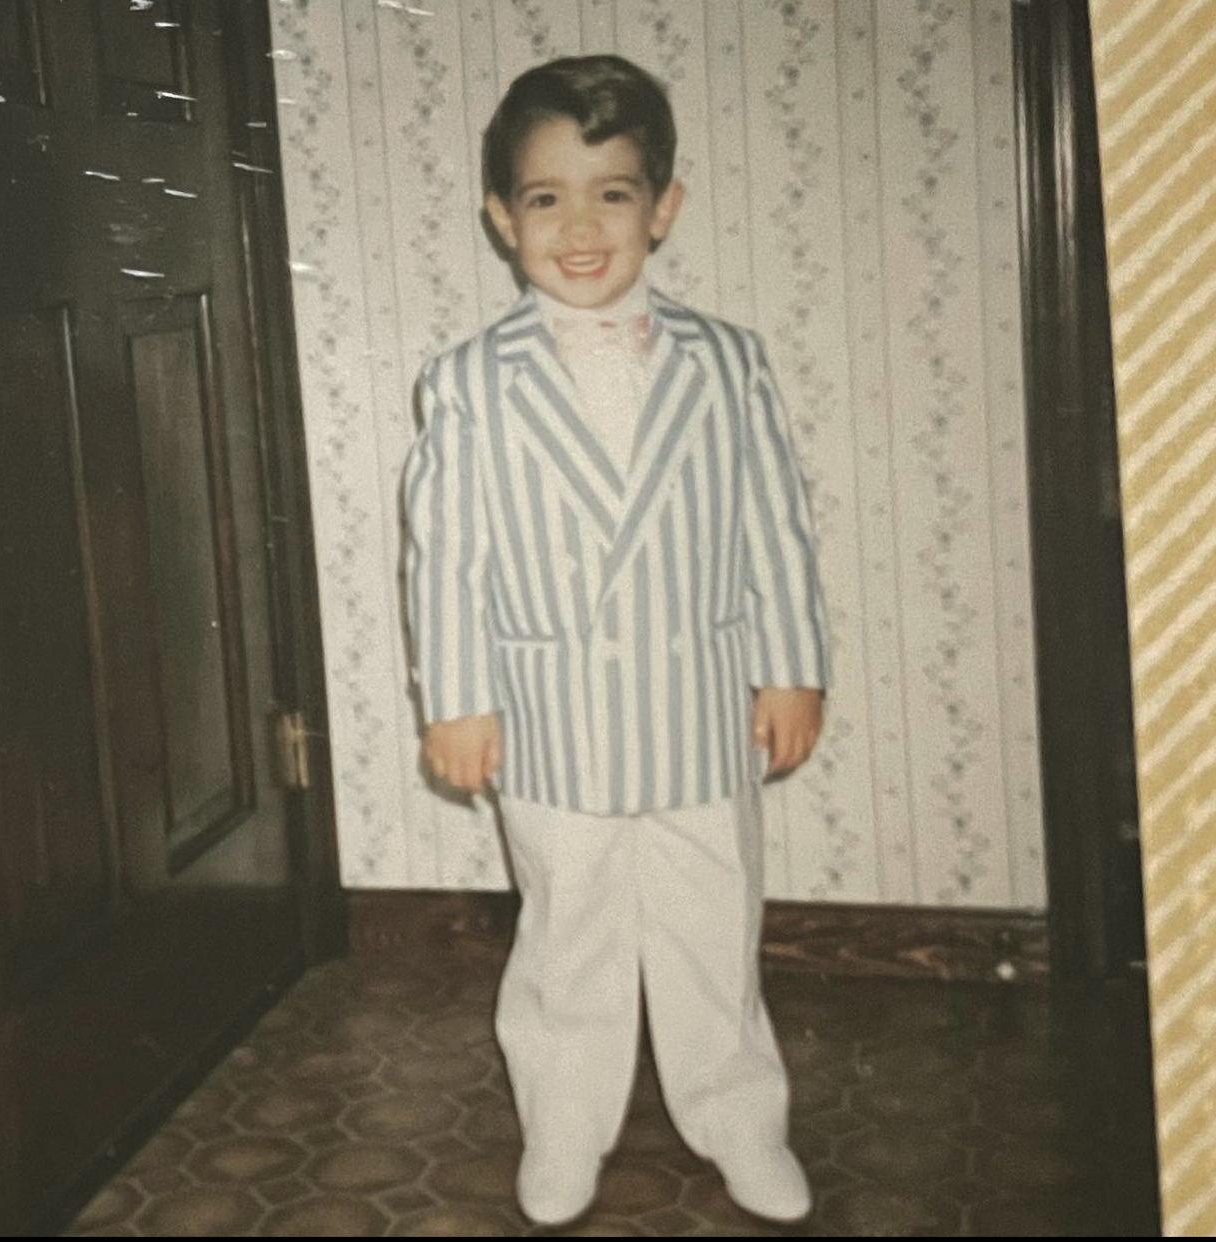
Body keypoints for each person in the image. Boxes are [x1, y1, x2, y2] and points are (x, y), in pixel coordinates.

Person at [401, 53, 831, 1228]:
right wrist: (457, 700)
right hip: (553, 718)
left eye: (613, 194)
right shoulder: (470, 382)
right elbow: (447, 557)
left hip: (699, 704)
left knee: (712, 931)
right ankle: (564, 1131)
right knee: (569, 938)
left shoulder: (728, 362)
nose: (581, 227)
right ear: (503, 219)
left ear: (664, 207)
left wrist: (792, 668)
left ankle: (739, 1122)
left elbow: (774, 525)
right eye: (547, 198)